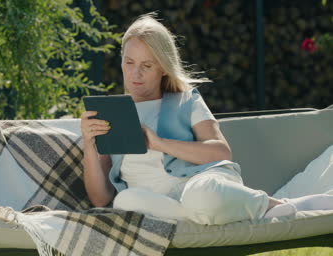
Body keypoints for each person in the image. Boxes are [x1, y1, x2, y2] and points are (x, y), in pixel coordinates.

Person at [80, 13, 333, 225]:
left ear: (163, 68)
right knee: (124, 201)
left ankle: (272, 205)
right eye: (129, 62)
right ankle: (201, 217)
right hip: (156, 205)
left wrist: (159, 144)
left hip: (200, 184)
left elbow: (221, 152)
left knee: (201, 197)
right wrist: (90, 146)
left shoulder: (185, 101)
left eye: (147, 66)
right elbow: (101, 199)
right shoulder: (110, 114)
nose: (135, 74)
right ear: (121, 60)